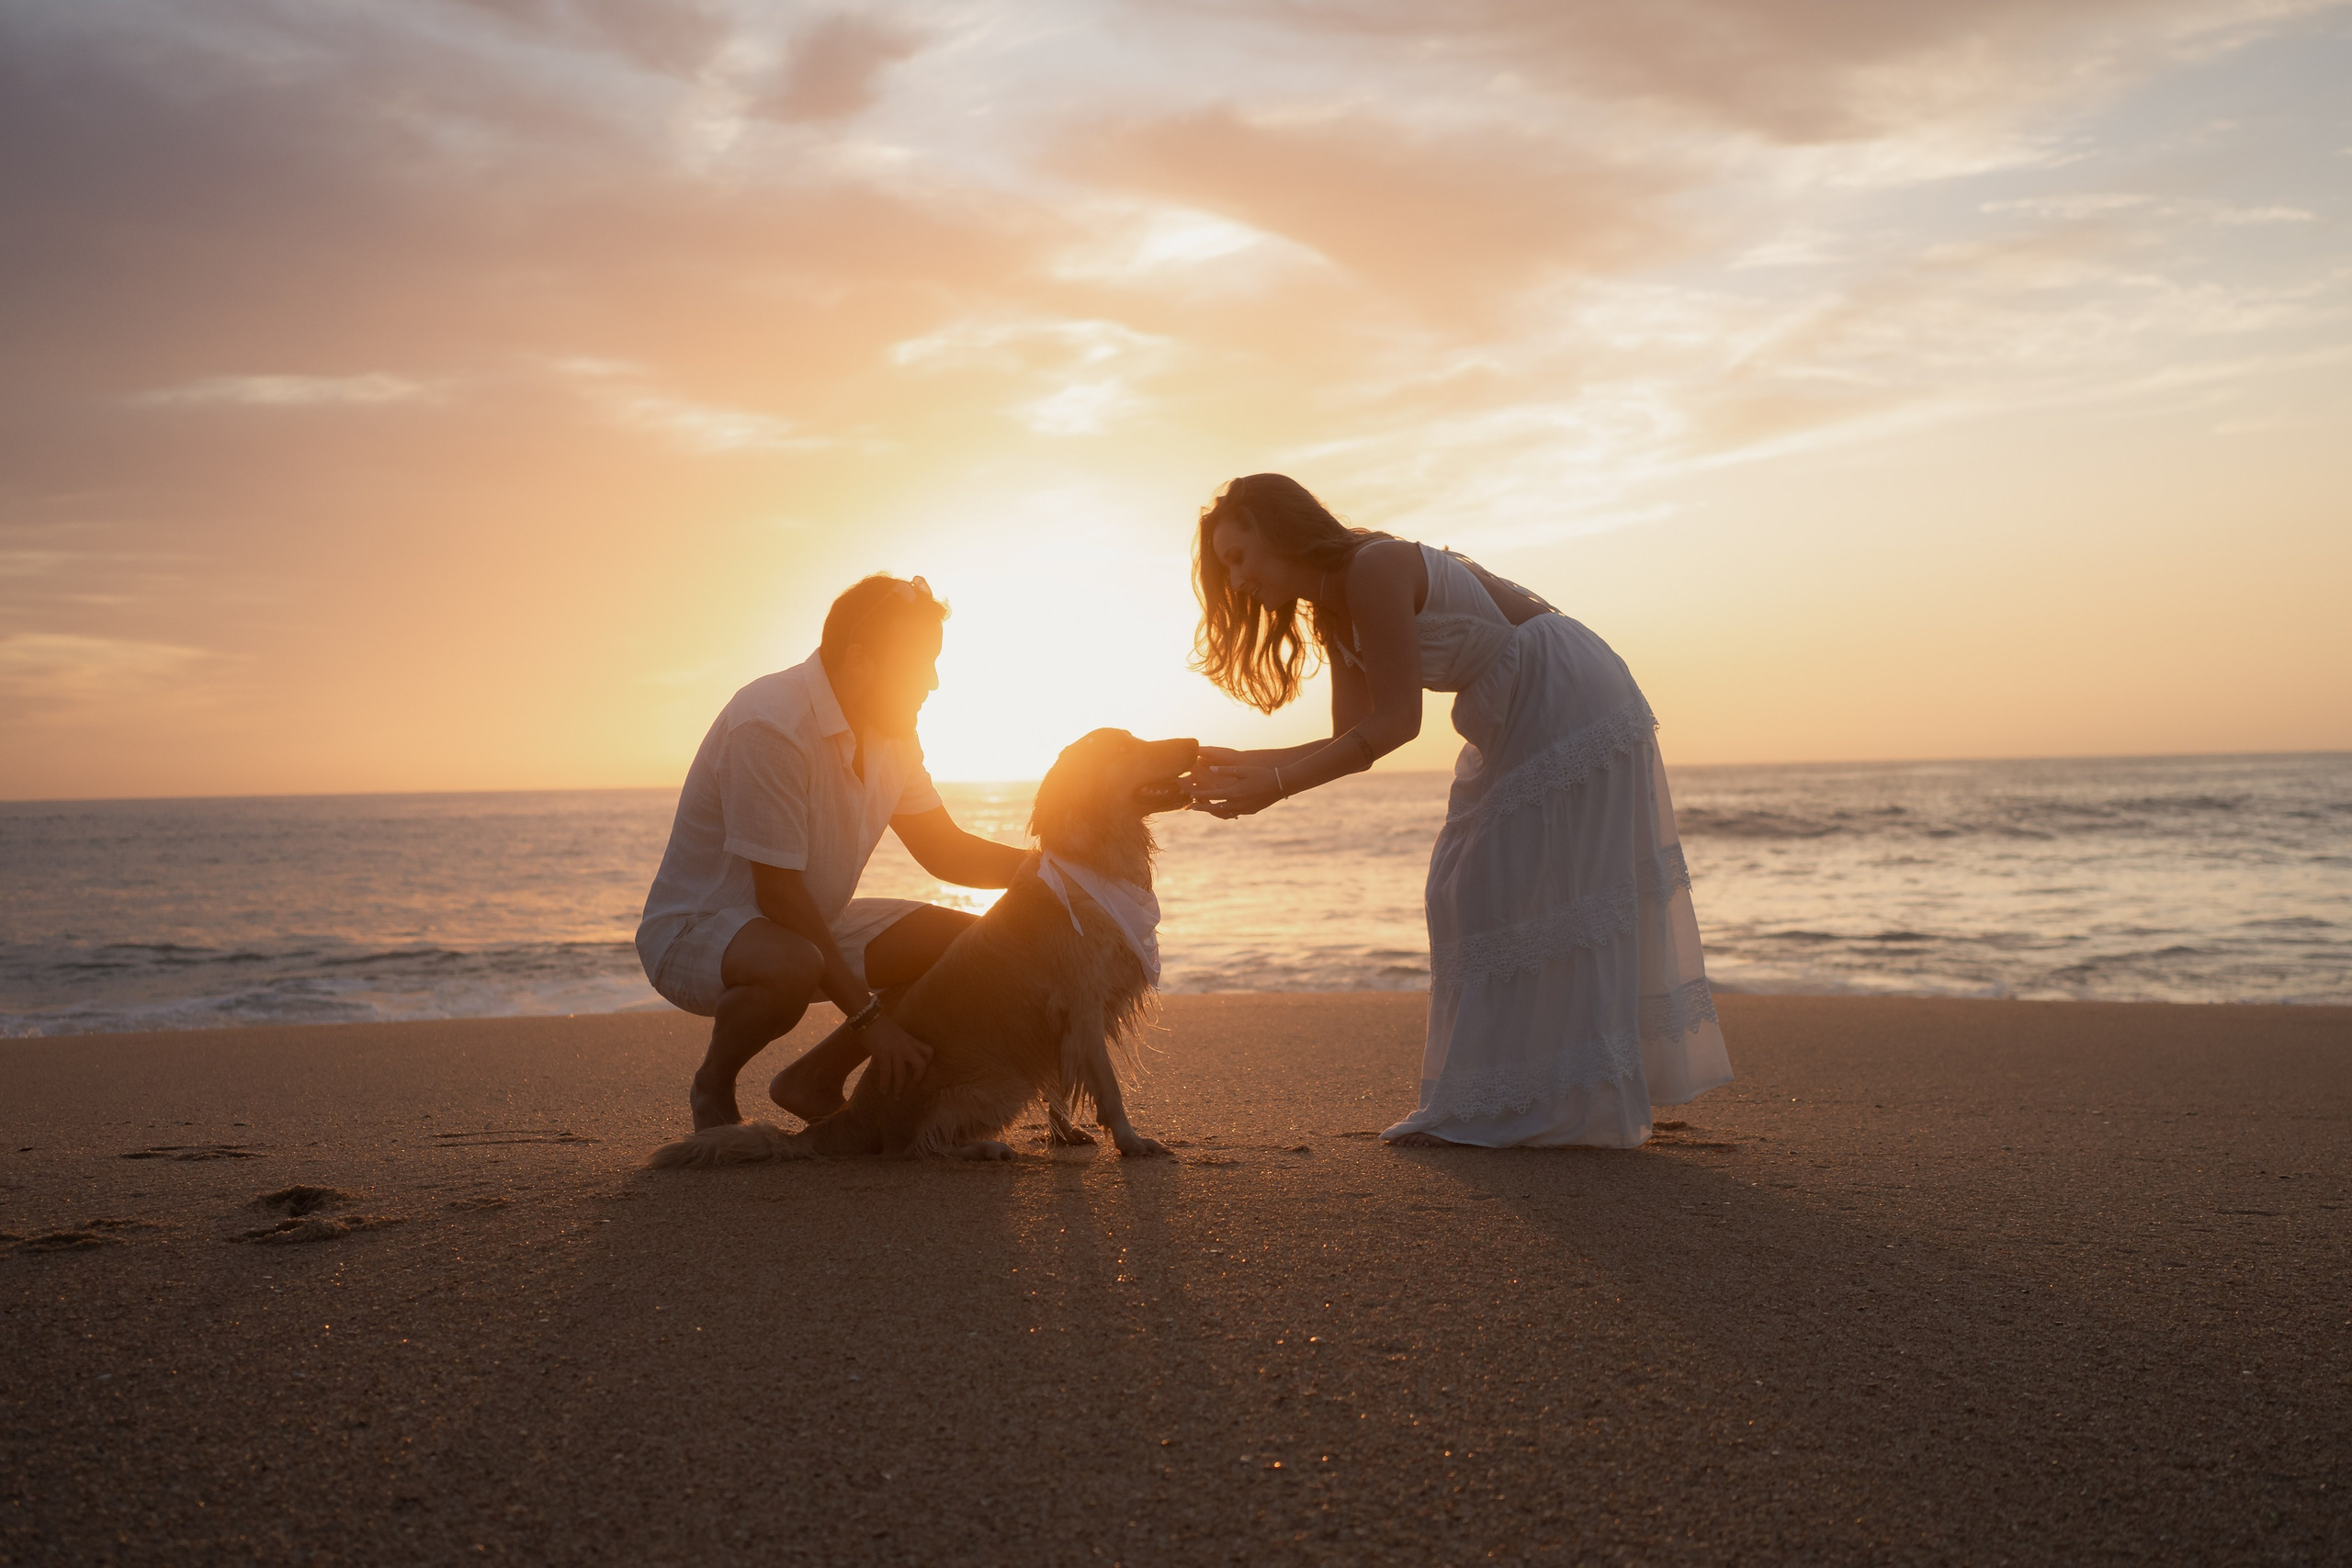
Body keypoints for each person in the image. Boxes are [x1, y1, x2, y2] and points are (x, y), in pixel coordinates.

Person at [1185, 474, 1731, 1147]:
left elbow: (1396, 726)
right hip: (1514, 703)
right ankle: (1516, 1091)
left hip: (1561, 683)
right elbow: (1347, 734)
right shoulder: (1333, 609)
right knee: (1465, 889)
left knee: (1510, 888)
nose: (1235, 580)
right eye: (1224, 567)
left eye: (1239, 556)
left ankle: (1562, 1098)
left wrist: (1275, 785)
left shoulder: (1371, 567)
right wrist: (1249, 763)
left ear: (1279, 529)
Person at [635, 574, 1024, 1131]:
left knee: (968, 948)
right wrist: (872, 1021)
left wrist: (1055, 872)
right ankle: (713, 1085)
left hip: (808, 926)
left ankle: (812, 1079)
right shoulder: (771, 721)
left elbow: (944, 850)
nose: (933, 683)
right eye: (920, 665)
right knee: (795, 963)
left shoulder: (895, 733)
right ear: (861, 661)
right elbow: (778, 893)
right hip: (696, 932)